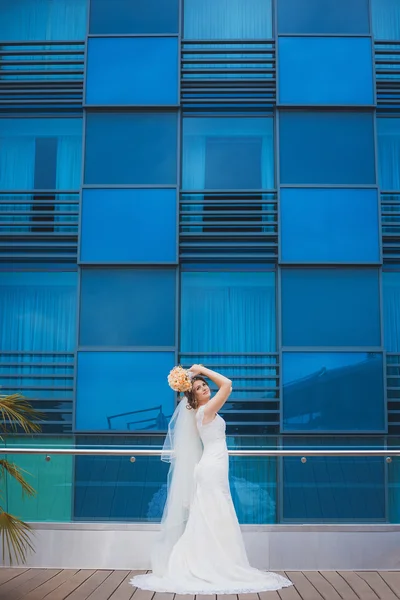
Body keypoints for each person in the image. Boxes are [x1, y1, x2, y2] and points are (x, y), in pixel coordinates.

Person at [130, 365, 292, 594]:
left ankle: (211, 560)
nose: (205, 387)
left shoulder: (203, 413)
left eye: (204, 384)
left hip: (212, 467)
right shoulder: (205, 412)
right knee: (215, 514)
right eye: (199, 387)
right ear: (193, 397)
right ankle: (212, 564)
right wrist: (202, 370)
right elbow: (227, 385)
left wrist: (197, 374)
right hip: (211, 469)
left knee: (210, 515)